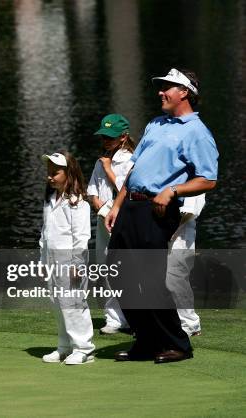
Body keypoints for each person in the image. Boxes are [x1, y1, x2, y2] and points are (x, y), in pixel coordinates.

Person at [105, 68, 218, 363]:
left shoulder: (197, 132)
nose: (160, 91)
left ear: (185, 93)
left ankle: (177, 344)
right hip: (131, 205)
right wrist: (118, 204)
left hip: (157, 209)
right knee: (117, 271)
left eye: (167, 87)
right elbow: (133, 168)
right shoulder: (156, 123)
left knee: (150, 279)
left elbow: (208, 179)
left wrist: (173, 191)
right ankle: (146, 341)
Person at [40, 151, 95, 365]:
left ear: (68, 172)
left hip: (70, 261)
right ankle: (64, 346)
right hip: (52, 260)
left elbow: (81, 236)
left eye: (56, 172)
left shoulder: (78, 202)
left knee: (73, 302)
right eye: (49, 172)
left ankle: (84, 348)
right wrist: (42, 260)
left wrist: (77, 264)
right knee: (57, 302)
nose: (50, 176)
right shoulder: (50, 199)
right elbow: (45, 233)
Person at [87, 114, 135, 334]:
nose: (105, 140)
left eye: (110, 137)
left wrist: (108, 169)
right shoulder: (102, 159)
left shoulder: (131, 160)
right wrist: (101, 208)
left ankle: (135, 316)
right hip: (103, 220)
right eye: (103, 136)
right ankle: (114, 317)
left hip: (125, 220)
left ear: (123, 137)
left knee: (128, 268)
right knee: (105, 268)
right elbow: (92, 193)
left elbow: (127, 191)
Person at [167, 194, 205, 336]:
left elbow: (189, 211)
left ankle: (189, 323)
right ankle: (167, 322)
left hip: (181, 231)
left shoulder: (195, 178)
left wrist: (173, 231)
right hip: (165, 229)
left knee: (176, 279)